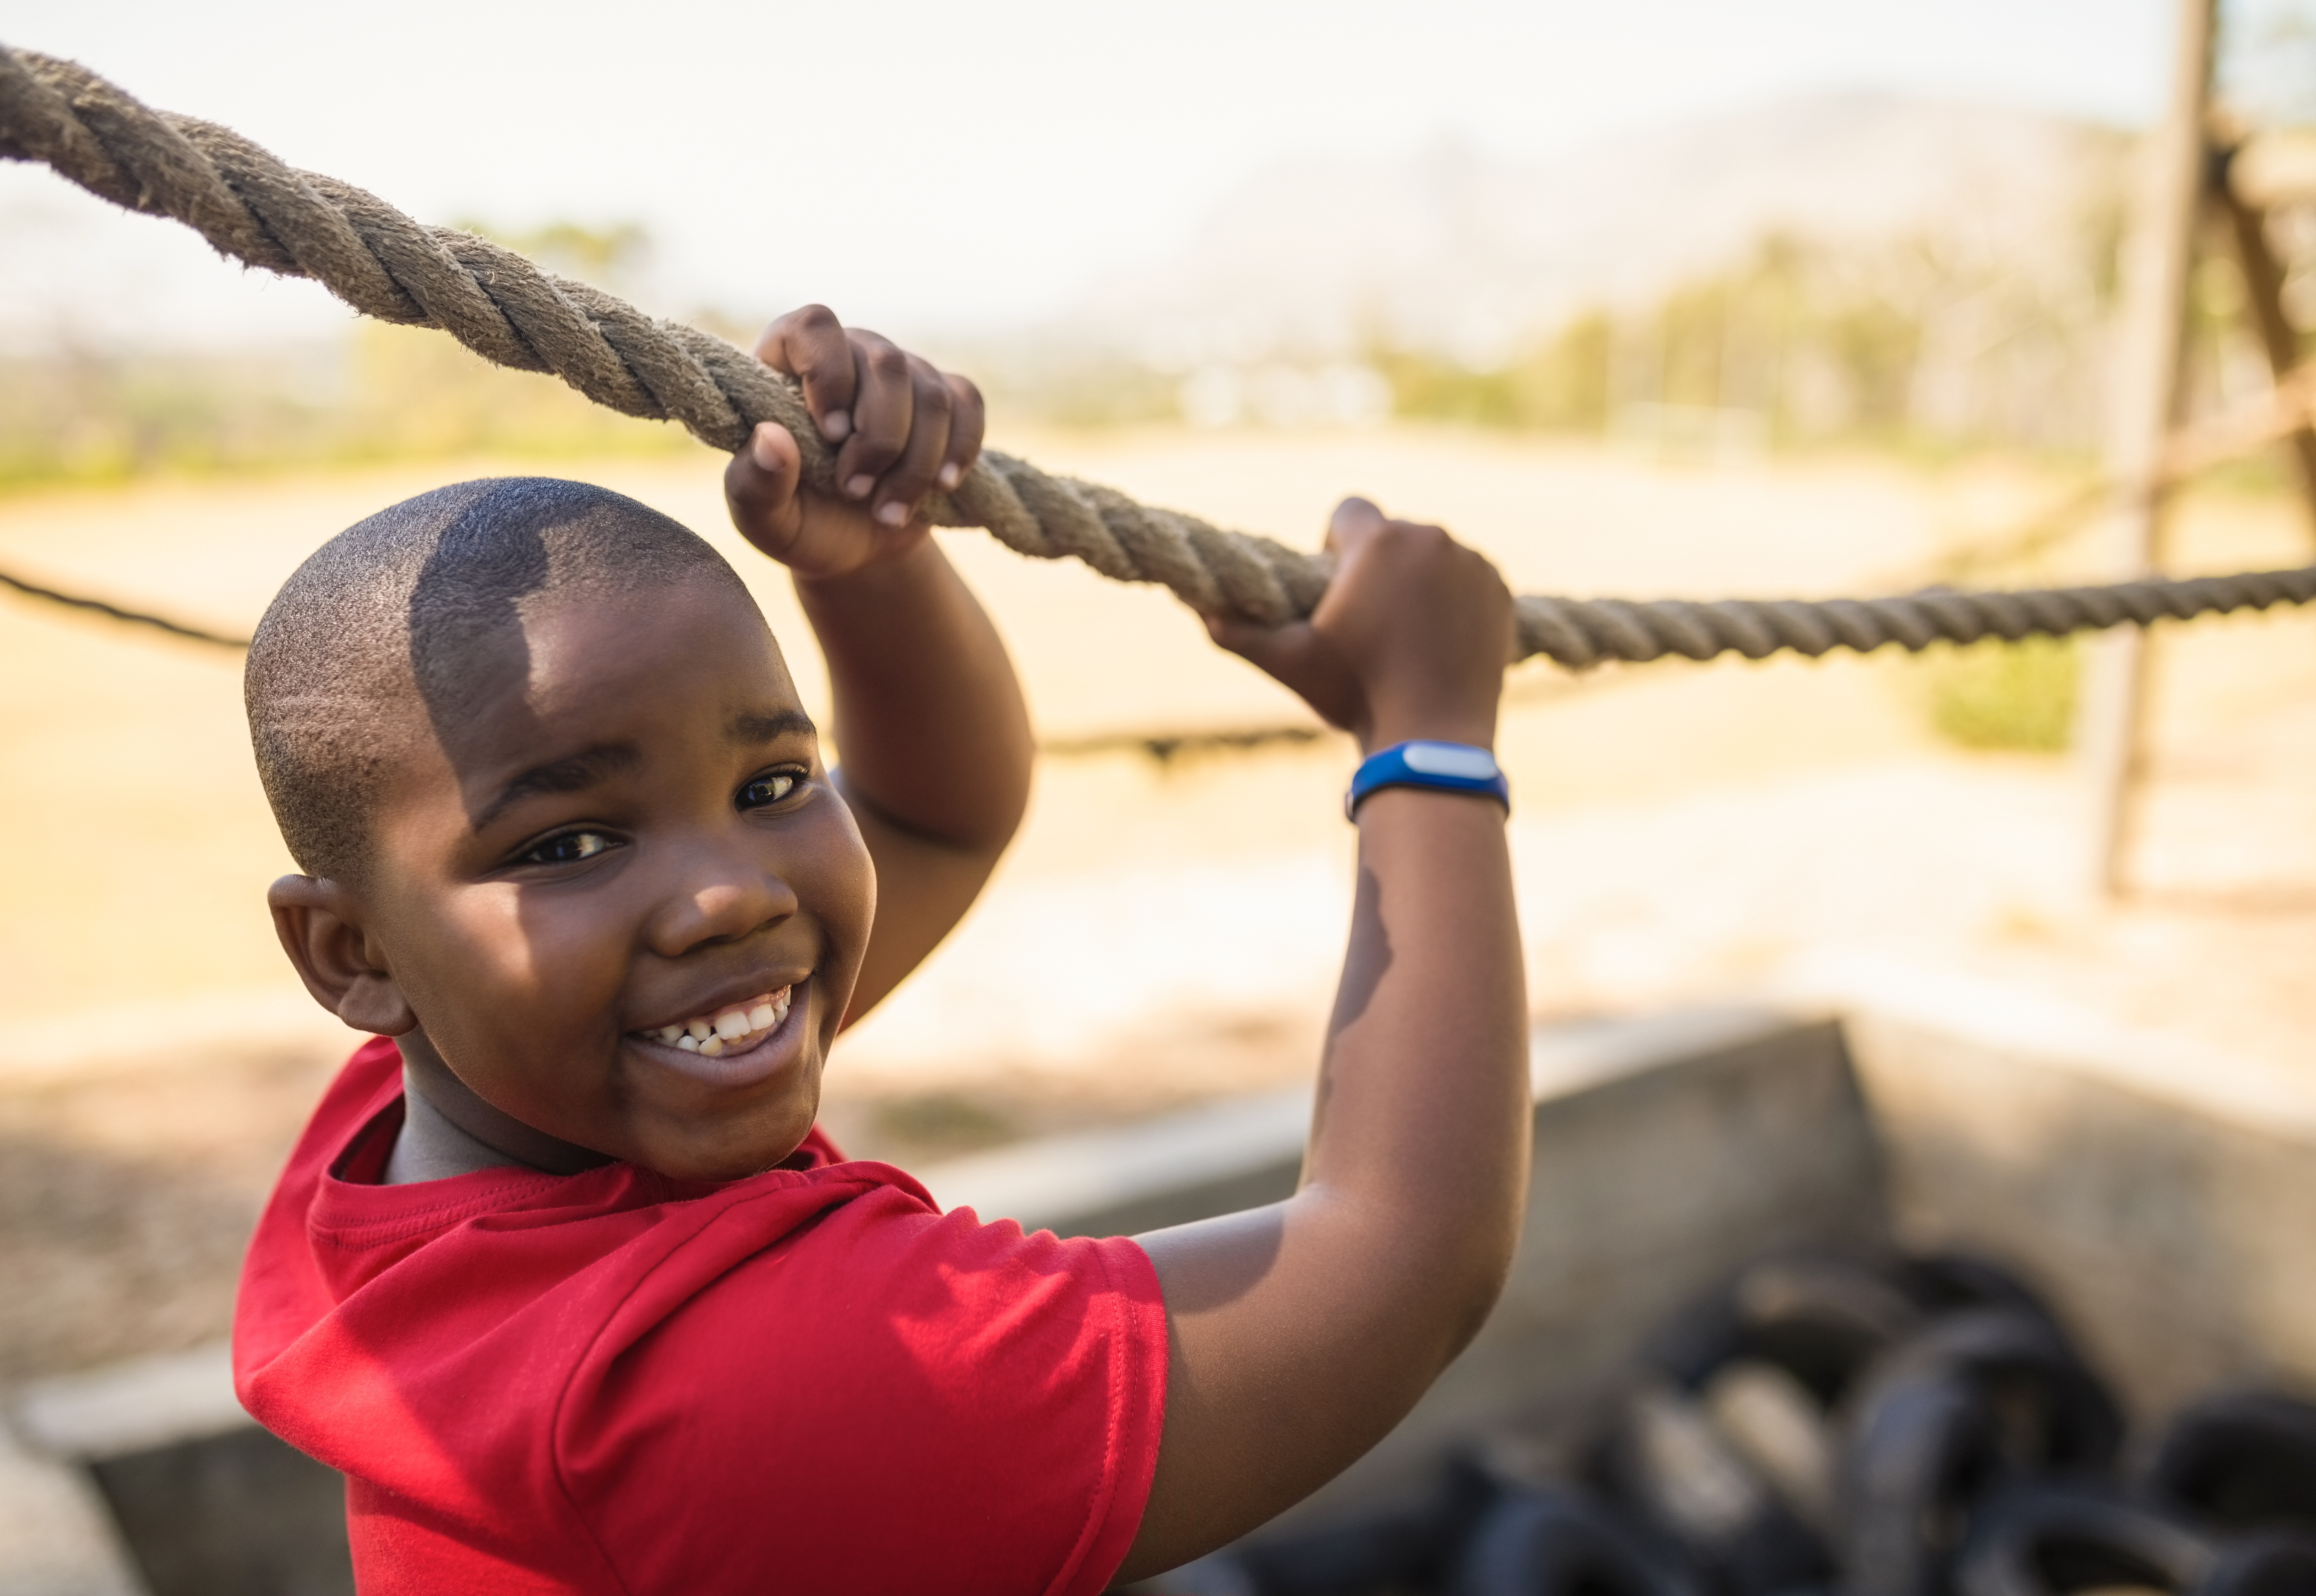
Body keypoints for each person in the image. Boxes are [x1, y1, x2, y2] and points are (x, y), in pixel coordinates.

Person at [233, 305, 1529, 1594]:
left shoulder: (410, 1149)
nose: (730, 899)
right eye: (568, 846)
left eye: (773, 781)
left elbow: (928, 815)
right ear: (355, 955)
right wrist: (1430, 739)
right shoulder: (763, 1387)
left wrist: (871, 567)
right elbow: (1406, 1262)